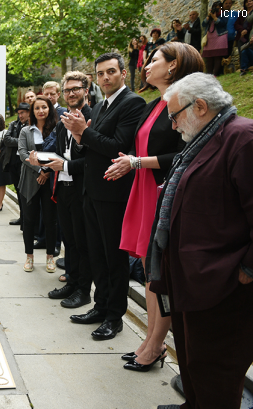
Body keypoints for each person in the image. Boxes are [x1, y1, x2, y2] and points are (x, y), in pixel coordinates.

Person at [149, 72, 253, 409]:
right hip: (191, 277)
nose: (173, 125)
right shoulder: (204, 137)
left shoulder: (243, 138)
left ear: (202, 106)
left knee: (216, 370)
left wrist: (247, 269)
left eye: (175, 115)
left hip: (221, 283)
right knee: (194, 359)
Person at [104, 43, 204, 372]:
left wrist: (137, 162)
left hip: (164, 192)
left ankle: (157, 344)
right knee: (149, 272)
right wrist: (131, 164)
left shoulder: (187, 103)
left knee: (159, 275)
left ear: (174, 66)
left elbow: (187, 155)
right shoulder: (153, 104)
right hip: (144, 189)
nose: (146, 65)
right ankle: (150, 340)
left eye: (155, 60)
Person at [62, 52, 146, 340]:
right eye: (100, 73)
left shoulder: (133, 102)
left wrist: (84, 132)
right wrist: (78, 135)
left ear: (123, 73)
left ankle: (114, 316)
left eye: (111, 71)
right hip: (91, 191)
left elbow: (119, 147)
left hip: (114, 193)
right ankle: (100, 307)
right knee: (96, 255)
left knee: (114, 259)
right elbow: (90, 148)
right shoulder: (97, 108)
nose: (105, 77)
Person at [42, 71, 93, 309]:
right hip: (63, 188)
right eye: (67, 90)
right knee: (69, 240)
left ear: (86, 89)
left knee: (82, 242)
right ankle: (71, 282)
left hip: (83, 189)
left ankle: (84, 290)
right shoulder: (63, 121)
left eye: (76, 89)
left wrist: (66, 165)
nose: (71, 93)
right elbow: (62, 154)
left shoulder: (94, 117)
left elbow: (95, 158)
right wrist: (46, 161)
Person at [18, 96, 57, 273]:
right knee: (29, 220)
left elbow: (59, 152)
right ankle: (29, 257)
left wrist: (47, 172)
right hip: (30, 180)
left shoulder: (56, 129)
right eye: (37, 108)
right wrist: (39, 171)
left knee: (50, 220)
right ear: (32, 112)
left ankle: (50, 257)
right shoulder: (26, 131)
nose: (41, 111)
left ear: (49, 109)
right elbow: (22, 153)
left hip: (50, 180)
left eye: (44, 107)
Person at [2, 102, 30, 226]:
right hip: (13, 162)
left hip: (25, 163)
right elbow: (6, 140)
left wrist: (19, 142)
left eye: (22, 113)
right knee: (18, 191)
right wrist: (22, 141)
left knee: (25, 192)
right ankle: (22, 217)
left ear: (29, 112)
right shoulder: (14, 124)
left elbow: (30, 142)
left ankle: (27, 219)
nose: (20, 116)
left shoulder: (32, 126)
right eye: (18, 113)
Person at [202, 1, 229, 76]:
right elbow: (203, 24)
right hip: (210, 38)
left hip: (220, 36)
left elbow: (223, 23)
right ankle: (209, 75)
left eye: (219, 8)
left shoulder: (224, 14)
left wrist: (215, 18)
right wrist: (209, 16)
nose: (217, 9)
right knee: (209, 58)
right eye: (215, 8)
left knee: (218, 56)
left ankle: (215, 74)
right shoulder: (210, 16)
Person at [236, 0, 253, 76]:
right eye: (247, 2)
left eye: (250, 1)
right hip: (242, 36)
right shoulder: (242, 13)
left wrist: (247, 30)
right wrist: (242, 30)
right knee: (243, 51)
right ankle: (244, 69)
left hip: (250, 35)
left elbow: (250, 22)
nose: (248, 3)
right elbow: (236, 24)